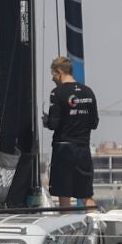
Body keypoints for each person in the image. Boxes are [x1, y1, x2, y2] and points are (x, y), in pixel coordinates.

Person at [42, 56, 98, 209]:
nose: (53, 79)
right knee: (86, 195)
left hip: (63, 149)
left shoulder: (57, 93)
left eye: (53, 75)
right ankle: (98, 229)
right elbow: (94, 123)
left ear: (59, 71)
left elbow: (54, 124)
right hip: (83, 149)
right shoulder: (88, 92)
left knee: (64, 193)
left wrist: (46, 121)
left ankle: (67, 232)